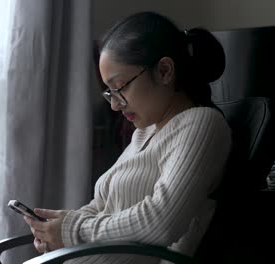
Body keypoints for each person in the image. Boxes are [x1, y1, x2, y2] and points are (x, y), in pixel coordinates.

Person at [23, 11, 232, 263]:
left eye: (120, 87)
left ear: (165, 71)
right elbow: (102, 205)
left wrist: (72, 231)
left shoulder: (201, 124)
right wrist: (57, 228)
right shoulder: (145, 132)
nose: (115, 105)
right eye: (109, 93)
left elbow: (161, 221)